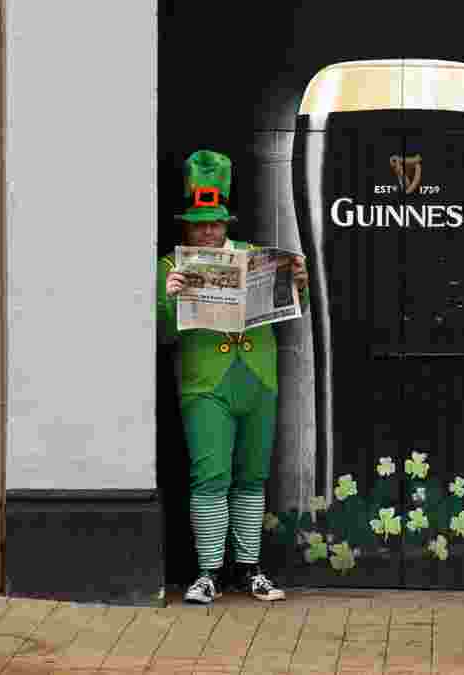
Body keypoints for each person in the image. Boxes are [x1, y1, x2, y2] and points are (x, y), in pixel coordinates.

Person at [157, 150, 309, 604]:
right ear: (188, 225)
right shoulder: (172, 267)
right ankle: (207, 572)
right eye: (200, 223)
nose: (208, 230)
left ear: (226, 222)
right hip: (206, 384)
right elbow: (162, 333)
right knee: (211, 477)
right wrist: (168, 299)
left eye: (216, 222)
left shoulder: (253, 257)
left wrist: (297, 280)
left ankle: (250, 569)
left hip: (258, 378)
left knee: (253, 476)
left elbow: (291, 311)